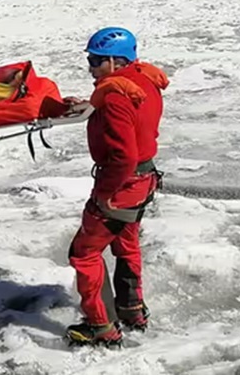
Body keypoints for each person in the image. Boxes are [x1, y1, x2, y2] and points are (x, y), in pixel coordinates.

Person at [64, 26, 169, 347]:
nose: (91, 68)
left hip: (122, 184)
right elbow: (132, 116)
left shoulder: (115, 97)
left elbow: (123, 155)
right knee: (126, 244)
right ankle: (131, 309)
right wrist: (91, 104)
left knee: (84, 253)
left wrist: (106, 194)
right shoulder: (142, 80)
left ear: (114, 60)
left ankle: (100, 325)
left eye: (96, 61)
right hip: (144, 180)